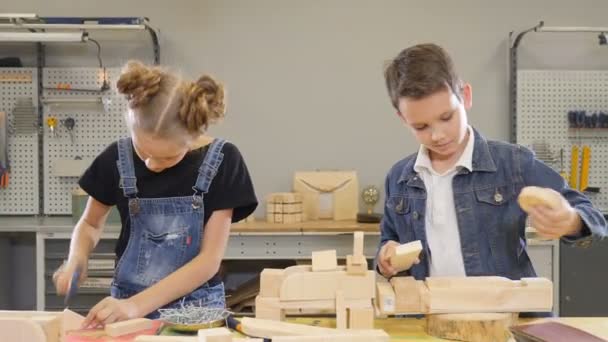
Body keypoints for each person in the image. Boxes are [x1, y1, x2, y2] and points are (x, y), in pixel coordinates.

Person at [376, 43, 607, 282]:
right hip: (429, 316)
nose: (438, 135)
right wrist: (386, 257)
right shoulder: (399, 178)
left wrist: (570, 221)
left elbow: (593, 218)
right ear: (403, 118)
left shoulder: (513, 163)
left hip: (505, 315)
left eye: (446, 117)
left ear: (465, 96)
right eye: (421, 127)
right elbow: (388, 242)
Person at [52, 61, 258, 327]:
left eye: (168, 157)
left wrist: (135, 306)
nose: (151, 164)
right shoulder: (116, 158)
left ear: (194, 134)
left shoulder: (223, 161)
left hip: (196, 313)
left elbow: (208, 261)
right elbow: (90, 223)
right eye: (143, 152)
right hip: (126, 307)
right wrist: (76, 259)